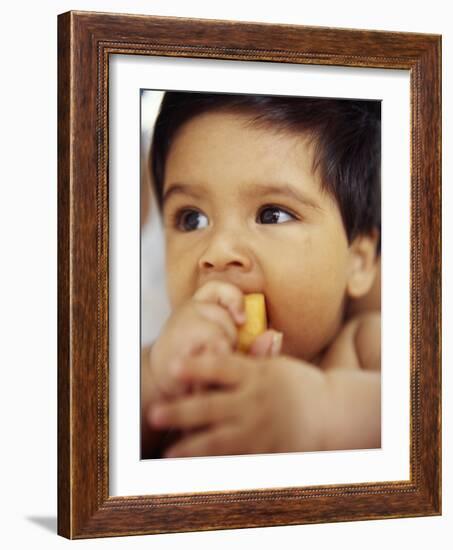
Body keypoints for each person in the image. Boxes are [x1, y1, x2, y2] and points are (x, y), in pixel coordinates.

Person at [141, 92, 381, 459]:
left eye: (272, 214)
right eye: (192, 219)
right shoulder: (170, 364)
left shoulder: (364, 346)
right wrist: (158, 378)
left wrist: (321, 415)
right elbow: (86, 440)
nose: (218, 252)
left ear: (358, 261)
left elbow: (429, 412)